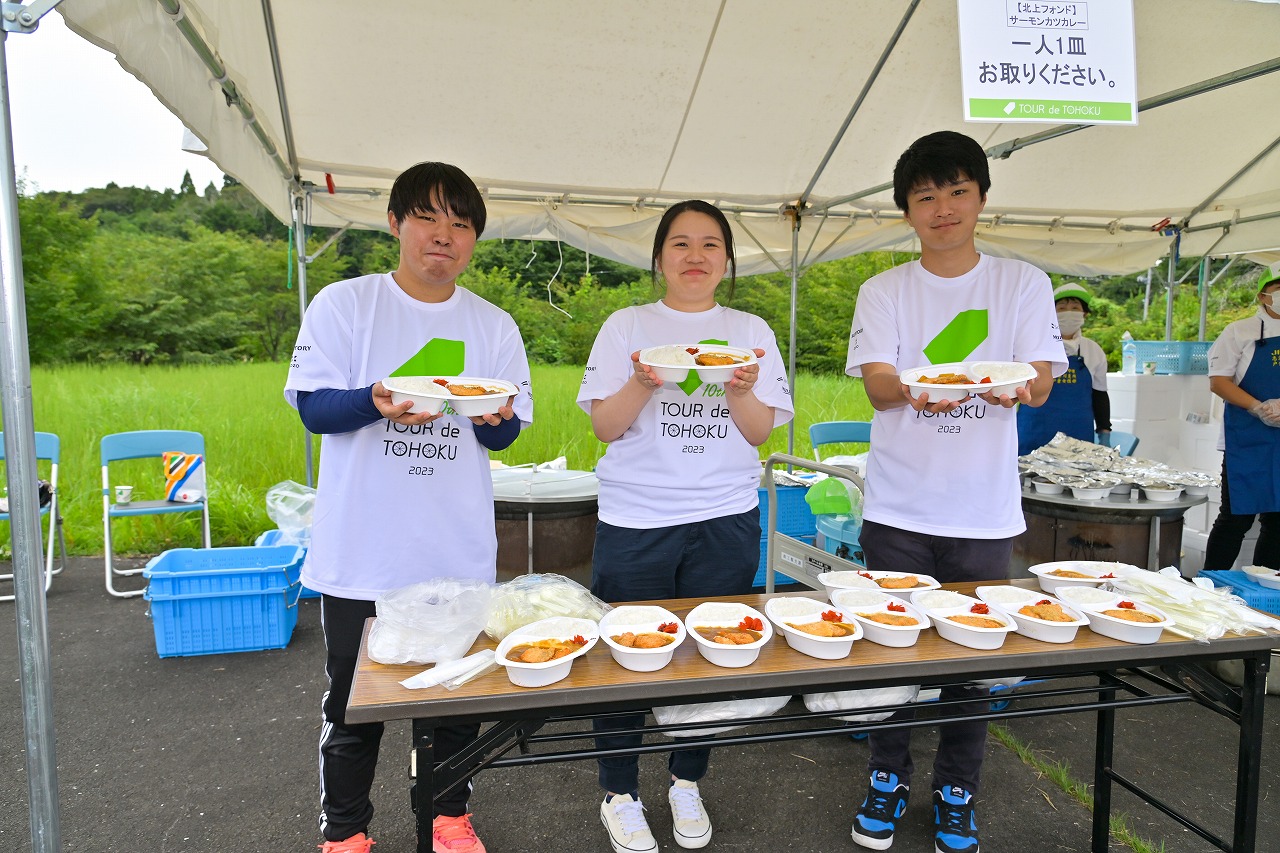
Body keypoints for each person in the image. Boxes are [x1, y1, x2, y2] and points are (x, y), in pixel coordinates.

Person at [285, 161, 533, 853]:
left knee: (453, 698)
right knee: (353, 703)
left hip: (453, 552)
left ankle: (450, 817)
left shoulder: (493, 324)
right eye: (427, 216)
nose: (443, 235)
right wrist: (376, 397)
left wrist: (494, 418)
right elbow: (314, 408)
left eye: (460, 223)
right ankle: (346, 832)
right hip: (361, 553)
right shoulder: (346, 305)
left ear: (474, 240)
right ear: (395, 223)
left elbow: (508, 430)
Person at [844, 131, 1066, 853]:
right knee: (893, 649)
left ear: (981, 198)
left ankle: (957, 787)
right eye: (926, 196)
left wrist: (1024, 387)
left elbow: (1039, 376)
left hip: (982, 509)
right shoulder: (885, 290)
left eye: (957, 192)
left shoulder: (1021, 283)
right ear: (907, 210)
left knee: (972, 657)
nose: (943, 209)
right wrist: (915, 388)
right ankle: (886, 774)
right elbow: (880, 385)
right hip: (898, 507)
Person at [577, 199, 793, 853]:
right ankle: (620, 790)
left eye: (709, 244)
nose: (695, 256)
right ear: (659, 257)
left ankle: (686, 778)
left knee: (709, 654)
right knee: (627, 655)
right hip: (637, 517)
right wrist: (644, 380)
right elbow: (605, 426)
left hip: (725, 516)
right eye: (679, 243)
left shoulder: (749, 327)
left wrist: (737, 388)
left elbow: (759, 432)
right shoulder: (627, 325)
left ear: (727, 260)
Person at [1202, 264, 1280, 571]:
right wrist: (1259, 408)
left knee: (1278, 520)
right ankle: (1208, 583)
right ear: (1263, 296)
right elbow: (1219, 381)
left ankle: (1266, 591)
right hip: (1248, 439)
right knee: (1236, 518)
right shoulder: (1239, 332)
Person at [1016, 282, 1113, 454]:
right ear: (1051, 314)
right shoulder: (1032, 346)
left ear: (1085, 314)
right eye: (1061, 308)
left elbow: (1100, 395)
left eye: (1075, 307)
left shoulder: (1093, 350)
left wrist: (1104, 430)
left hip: (1078, 436)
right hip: (1033, 432)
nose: (1068, 312)